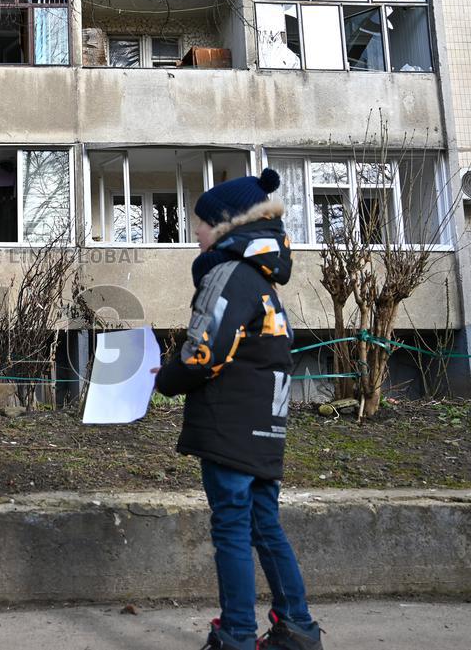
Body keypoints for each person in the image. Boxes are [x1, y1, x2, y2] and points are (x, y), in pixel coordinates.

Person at [154, 170, 323, 650]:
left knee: (231, 528)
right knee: (264, 524)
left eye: (202, 224)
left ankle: (236, 635)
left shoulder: (228, 273)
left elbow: (204, 351)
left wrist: (165, 378)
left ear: (227, 225)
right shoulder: (265, 284)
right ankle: (298, 630)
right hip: (265, 426)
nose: (197, 234)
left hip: (230, 427)